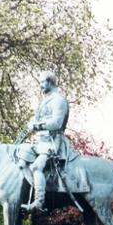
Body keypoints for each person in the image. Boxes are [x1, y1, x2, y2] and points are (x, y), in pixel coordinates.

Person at [23, 70, 70, 211]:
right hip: (40, 142)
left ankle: (39, 201)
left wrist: (36, 125)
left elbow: (56, 123)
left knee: (37, 167)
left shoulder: (59, 100)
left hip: (53, 142)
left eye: (42, 82)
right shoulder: (45, 100)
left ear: (50, 82)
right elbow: (39, 119)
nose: (40, 86)